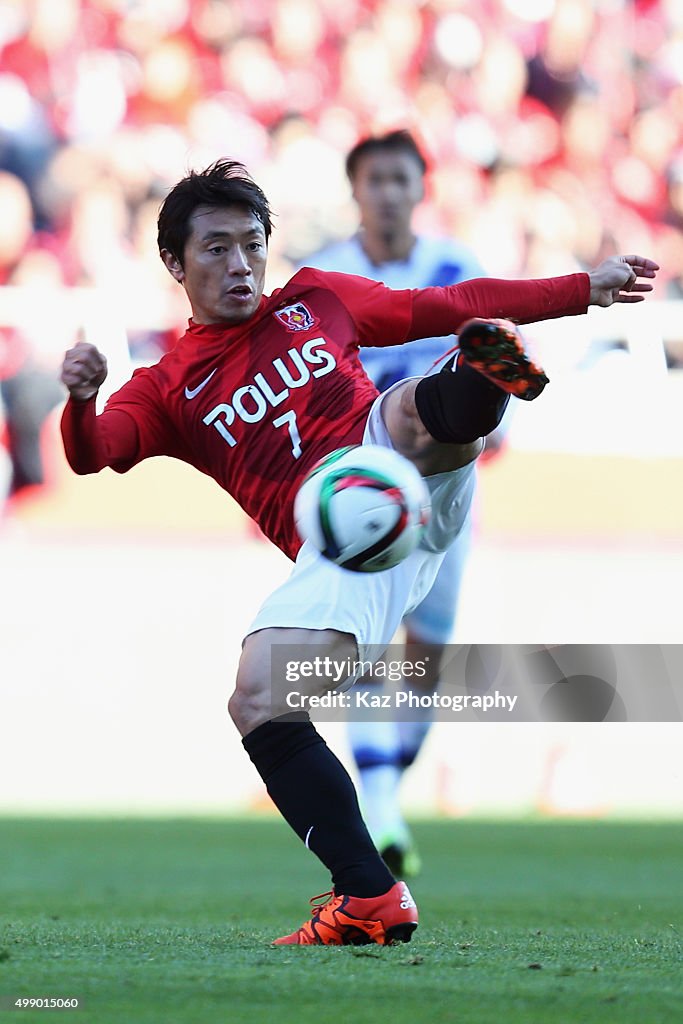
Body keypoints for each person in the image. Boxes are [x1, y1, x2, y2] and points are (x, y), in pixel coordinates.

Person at [59, 159, 657, 946]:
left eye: (251, 245)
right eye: (215, 250)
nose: (239, 265)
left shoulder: (315, 301)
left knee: (403, 413)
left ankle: (480, 377)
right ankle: (367, 896)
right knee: (258, 699)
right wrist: (81, 397)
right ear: (174, 262)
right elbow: (93, 452)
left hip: (395, 474)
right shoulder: (167, 388)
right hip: (350, 557)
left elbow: (446, 302)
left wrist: (581, 289)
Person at [304, 129, 489, 878]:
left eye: (398, 178)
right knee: (367, 648)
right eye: (373, 179)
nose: (386, 192)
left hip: (444, 489)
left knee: (427, 657)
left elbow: (490, 359)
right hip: (360, 491)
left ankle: (385, 790)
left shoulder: (455, 268)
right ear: (355, 189)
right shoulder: (325, 281)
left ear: (420, 187)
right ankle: (378, 810)